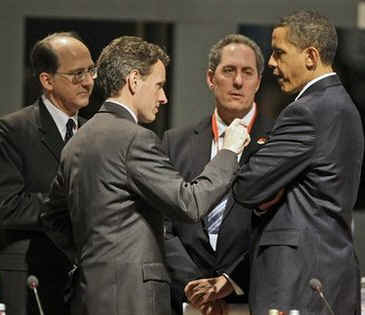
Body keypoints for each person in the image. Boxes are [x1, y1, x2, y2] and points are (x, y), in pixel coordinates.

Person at [40, 36, 250, 315]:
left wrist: (94, 259)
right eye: (159, 85)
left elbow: (51, 217)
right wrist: (229, 151)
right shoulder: (135, 139)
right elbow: (190, 203)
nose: (164, 97)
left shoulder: (78, 140)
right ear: (134, 80)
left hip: (88, 293)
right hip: (132, 298)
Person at [185, 9, 364, 315]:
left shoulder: (307, 111)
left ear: (310, 56)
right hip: (320, 274)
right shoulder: (340, 105)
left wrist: (247, 151)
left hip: (298, 281)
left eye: (279, 53)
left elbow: (248, 186)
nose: (270, 63)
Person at [162, 34, 274, 315]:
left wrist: (230, 281)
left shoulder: (279, 143)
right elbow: (162, 224)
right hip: (186, 299)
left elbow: (276, 227)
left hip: (250, 296)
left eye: (247, 73)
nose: (238, 81)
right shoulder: (175, 142)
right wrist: (196, 286)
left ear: (258, 82)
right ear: (211, 78)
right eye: (229, 71)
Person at [0, 32, 95, 315]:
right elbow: (8, 206)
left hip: (85, 282)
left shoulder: (94, 131)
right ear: (47, 80)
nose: (89, 81)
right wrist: (76, 203)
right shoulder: (12, 131)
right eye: (77, 74)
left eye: (91, 70)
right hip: (32, 277)